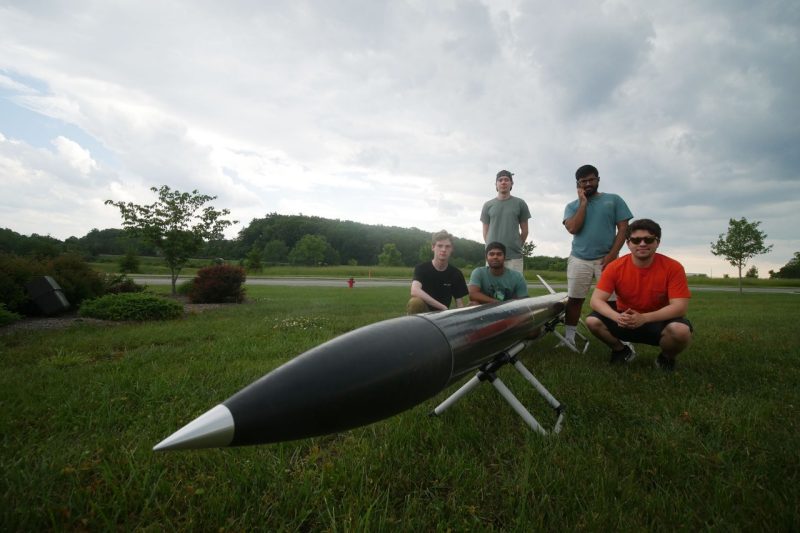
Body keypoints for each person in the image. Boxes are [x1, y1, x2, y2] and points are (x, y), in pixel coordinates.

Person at [586, 219, 693, 370]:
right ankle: (621, 351)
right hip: (624, 316)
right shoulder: (614, 267)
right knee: (592, 321)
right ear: (628, 244)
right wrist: (617, 317)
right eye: (636, 240)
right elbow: (596, 301)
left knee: (680, 331)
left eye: (648, 239)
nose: (642, 244)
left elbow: (680, 307)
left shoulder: (673, 267)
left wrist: (644, 318)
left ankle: (666, 358)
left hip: (657, 318)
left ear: (657, 242)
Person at [562, 164, 632, 347]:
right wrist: (583, 203)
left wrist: (612, 255)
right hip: (579, 258)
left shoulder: (614, 200)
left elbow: (623, 228)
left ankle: (619, 336)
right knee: (575, 299)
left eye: (591, 179)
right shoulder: (572, 206)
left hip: (607, 259)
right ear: (577, 184)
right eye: (583, 181)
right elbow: (573, 228)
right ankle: (569, 337)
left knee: (612, 301)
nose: (588, 184)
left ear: (598, 180)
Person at [480, 169, 531, 273]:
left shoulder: (520, 203)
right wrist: (491, 248)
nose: (503, 182)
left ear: (511, 183)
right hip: (492, 257)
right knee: (491, 288)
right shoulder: (488, 205)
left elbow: (525, 230)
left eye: (506, 180)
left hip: (514, 257)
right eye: (500, 180)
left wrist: (516, 245)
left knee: (514, 288)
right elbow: (485, 232)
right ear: (496, 184)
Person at [407, 230, 469, 314]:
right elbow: (414, 290)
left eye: (447, 246)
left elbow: (459, 303)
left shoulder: (456, 273)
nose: (443, 249)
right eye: (440, 246)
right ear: (433, 247)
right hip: (424, 315)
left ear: (452, 249)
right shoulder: (421, 268)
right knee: (415, 302)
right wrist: (442, 307)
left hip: (443, 316)